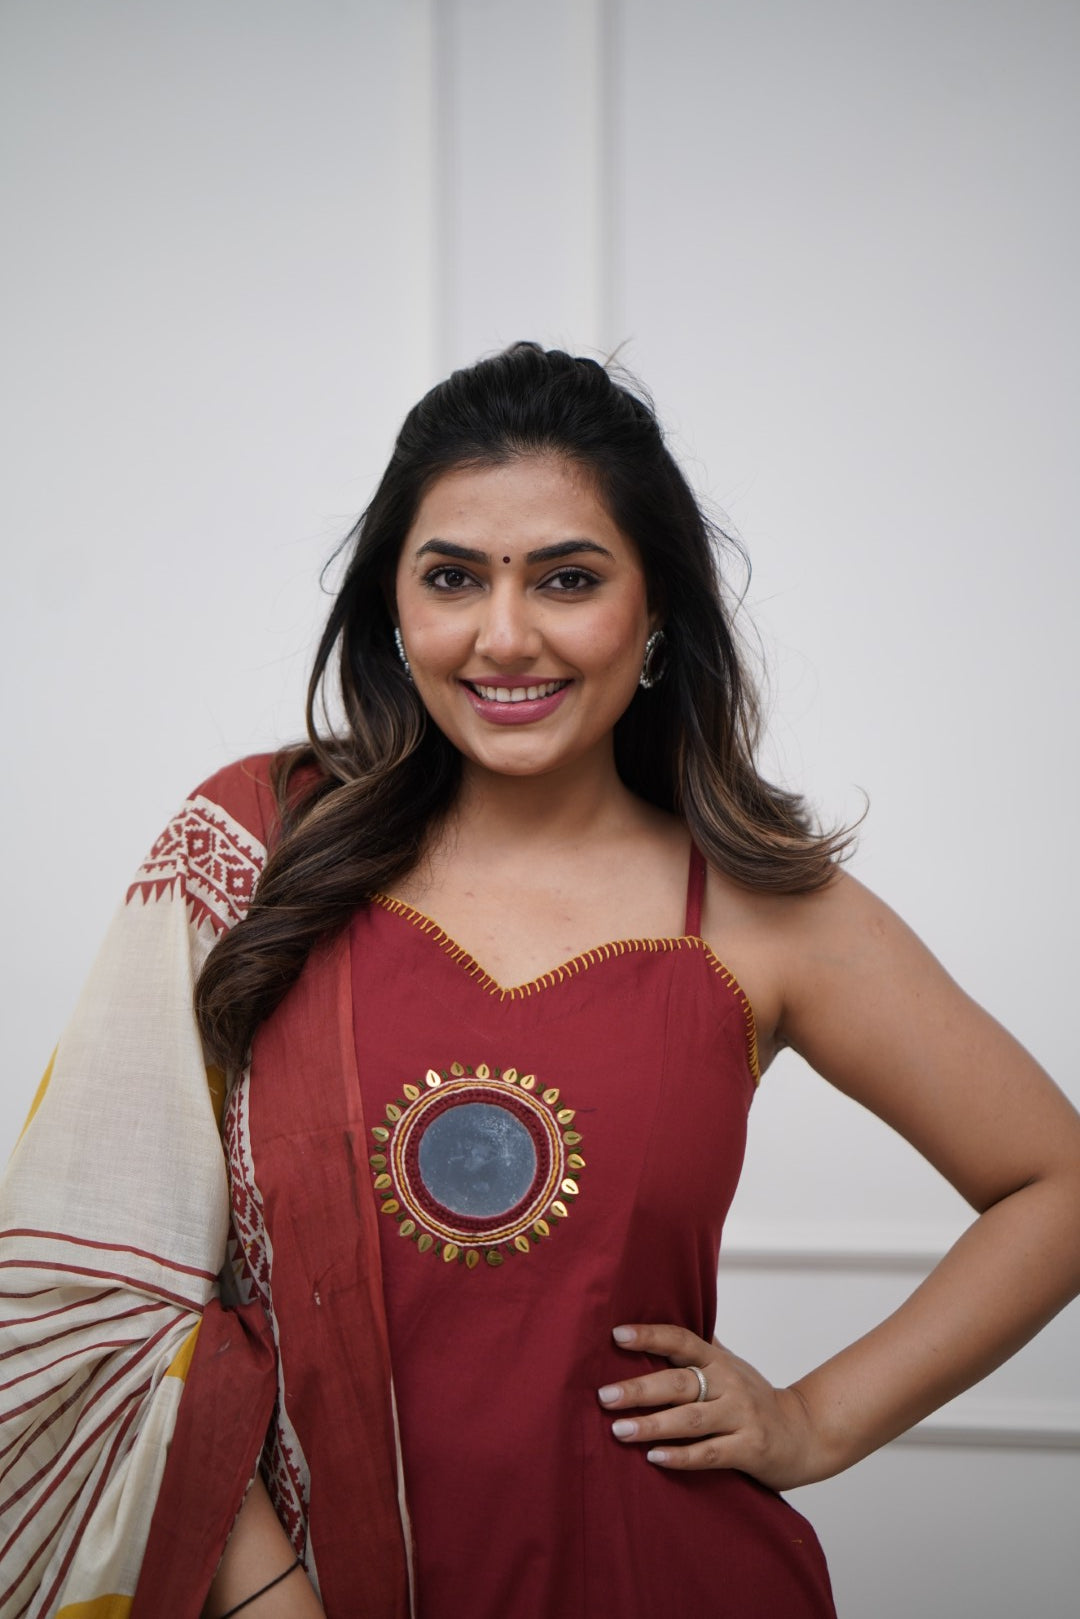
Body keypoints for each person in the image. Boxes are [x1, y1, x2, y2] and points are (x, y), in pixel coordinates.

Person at [2, 342, 1079, 1619]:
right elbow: (96, 1290)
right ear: (393, 608)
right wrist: (269, 1593)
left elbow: (1055, 1182)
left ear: (656, 607)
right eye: (453, 577)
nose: (505, 636)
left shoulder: (762, 913)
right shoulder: (261, 850)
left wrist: (814, 1418)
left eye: (568, 578)